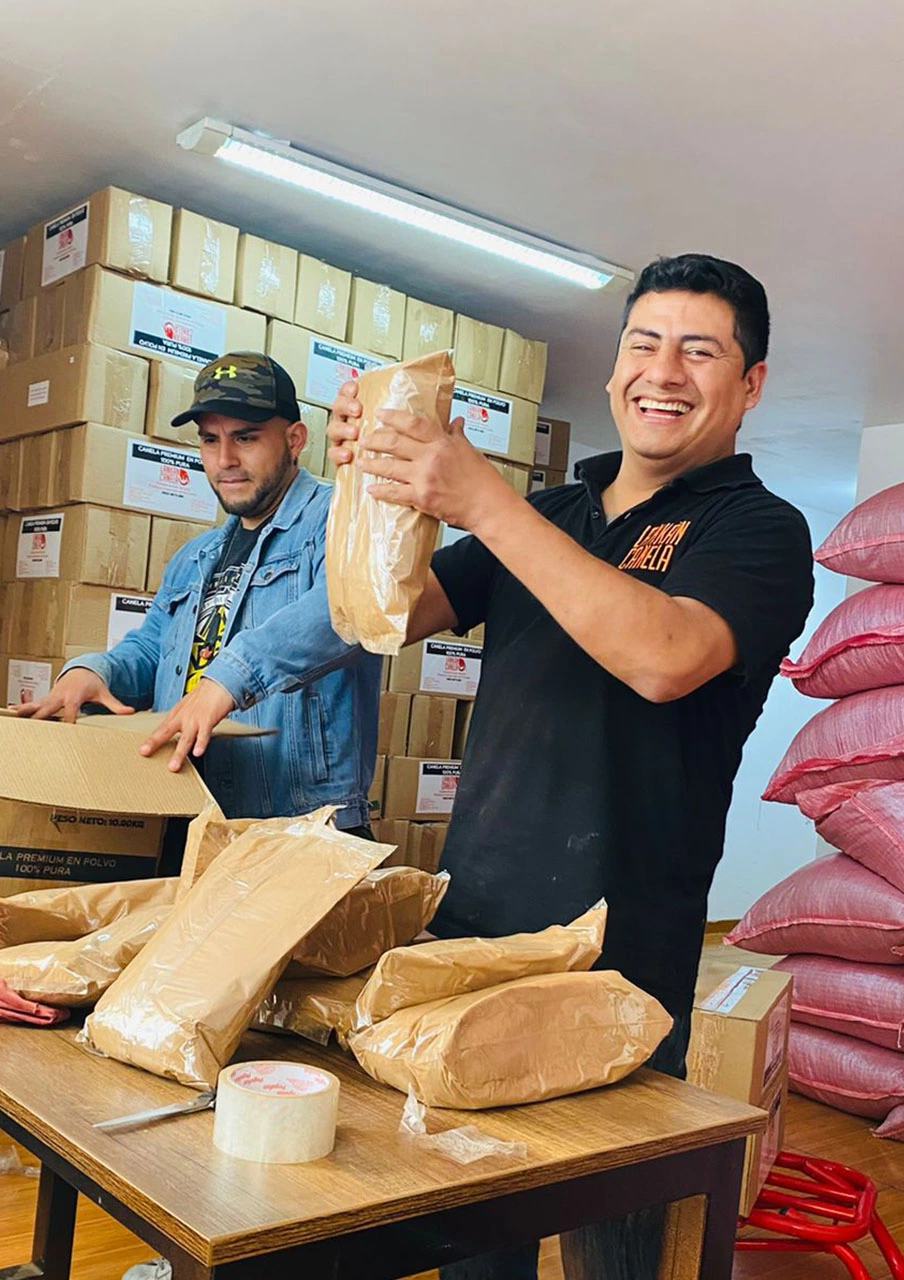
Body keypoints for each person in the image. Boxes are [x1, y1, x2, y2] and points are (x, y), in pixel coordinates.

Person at [328, 254, 815, 1279]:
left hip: (619, 954)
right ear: (613, 368)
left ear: (751, 383)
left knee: (620, 1249)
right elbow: (391, 613)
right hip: (479, 929)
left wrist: (483, 498)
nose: (663, 370)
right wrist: (371, 484)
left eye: (700, 349)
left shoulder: (759, 529)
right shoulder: (555, 508)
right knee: (477, 1239)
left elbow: (666, 657)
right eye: (644, 342)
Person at [15, 351, 382, 836]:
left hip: (301, 828)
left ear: (295, 440)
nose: (225, 460)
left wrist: (229, 678)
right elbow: (152, 650)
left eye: (245, 438)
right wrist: (91, 671)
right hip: (190, 816)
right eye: (210, 440)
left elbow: (346, 614)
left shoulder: (342, 518)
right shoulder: (196, 556)